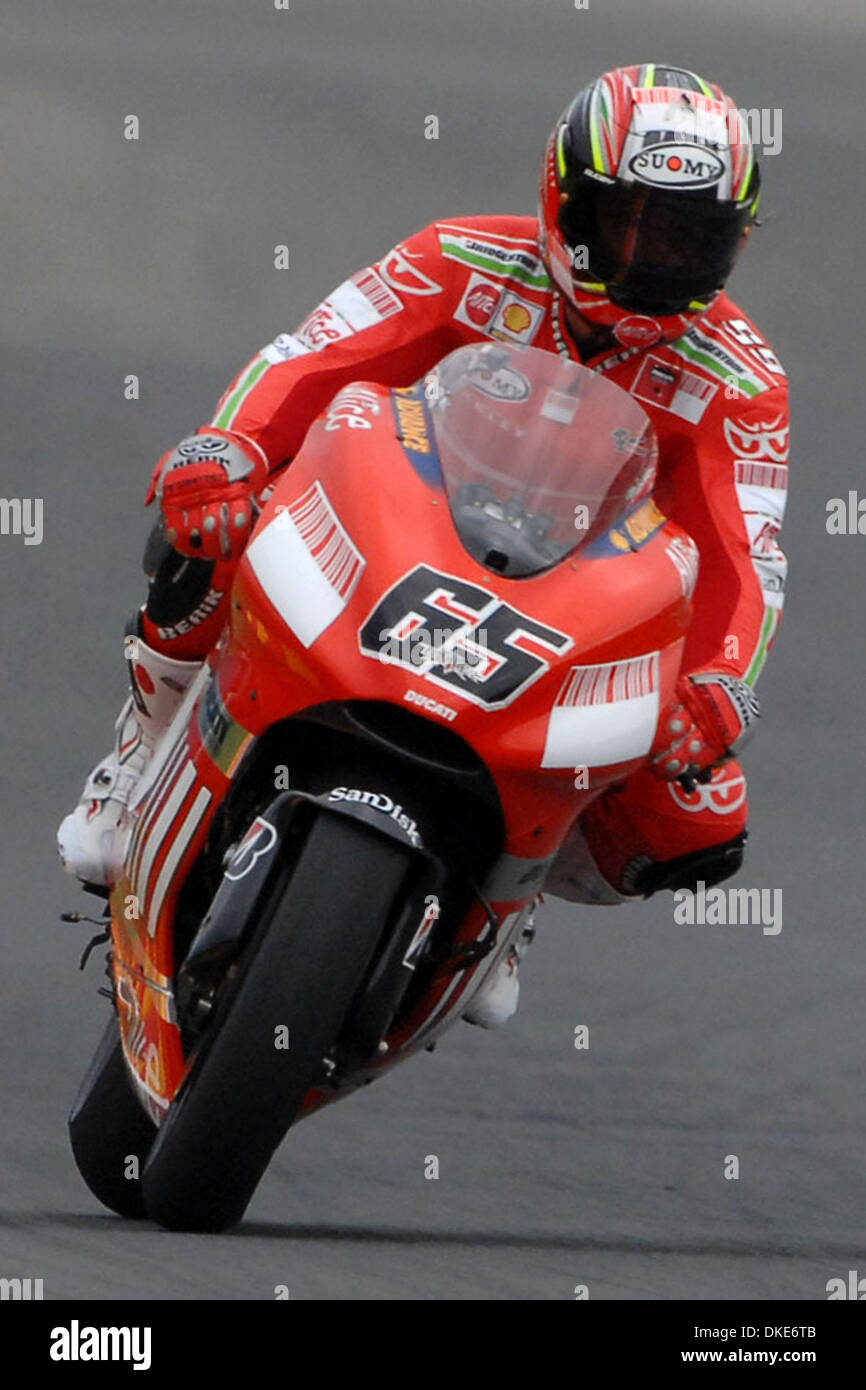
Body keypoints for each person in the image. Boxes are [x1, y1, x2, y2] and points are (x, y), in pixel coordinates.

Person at [58, 63, 789, 1027]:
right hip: (397, 535)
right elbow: (312, 359)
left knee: (698, 815)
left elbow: (748, 558)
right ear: (568, 204)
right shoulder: (460, 259)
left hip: (572, 610)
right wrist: (227, 450)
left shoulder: (741, 381)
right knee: (212, 528)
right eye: (637, 226)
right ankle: (138, 753)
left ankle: (509, 891)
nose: (661, 262)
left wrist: (719, 684)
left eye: (694, 241)